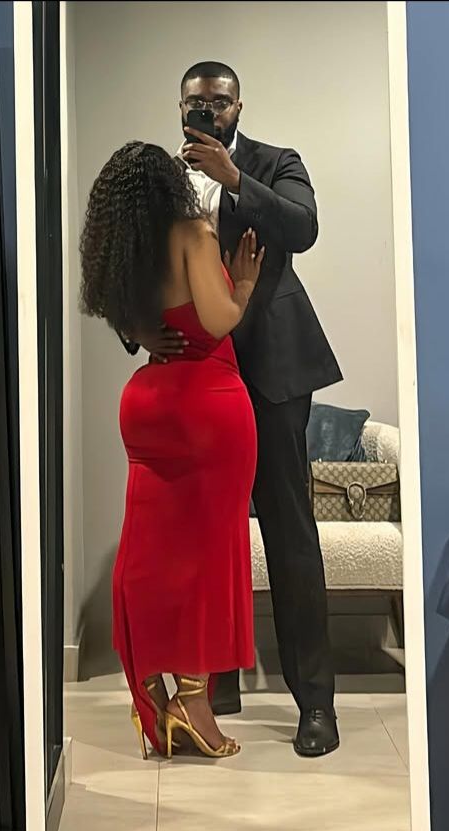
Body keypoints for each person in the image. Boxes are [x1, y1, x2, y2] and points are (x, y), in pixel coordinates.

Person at [120, 61, 343, 758]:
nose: (208, 112)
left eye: (219, 102)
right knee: (199, 538)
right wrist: (136, 328)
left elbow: (303, 228)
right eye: (196, 102)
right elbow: (122, 257)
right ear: (179, 105)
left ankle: (315, 704)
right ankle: (208, 688)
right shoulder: (159, 180)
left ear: (239, 106)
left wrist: (235, 178)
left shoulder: (275, 163)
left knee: (288, 531)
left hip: (270, 372)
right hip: (191, 378)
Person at [80, 140, 264, 759]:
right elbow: (215, 320)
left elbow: (127, 322)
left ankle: (154, 692)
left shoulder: (125, 249)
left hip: (148, 404)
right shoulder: (193, 232)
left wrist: (144, 333)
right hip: (207, 404)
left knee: (151, 552)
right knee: (208, 557)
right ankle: (192, 701)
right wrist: (242, 287)